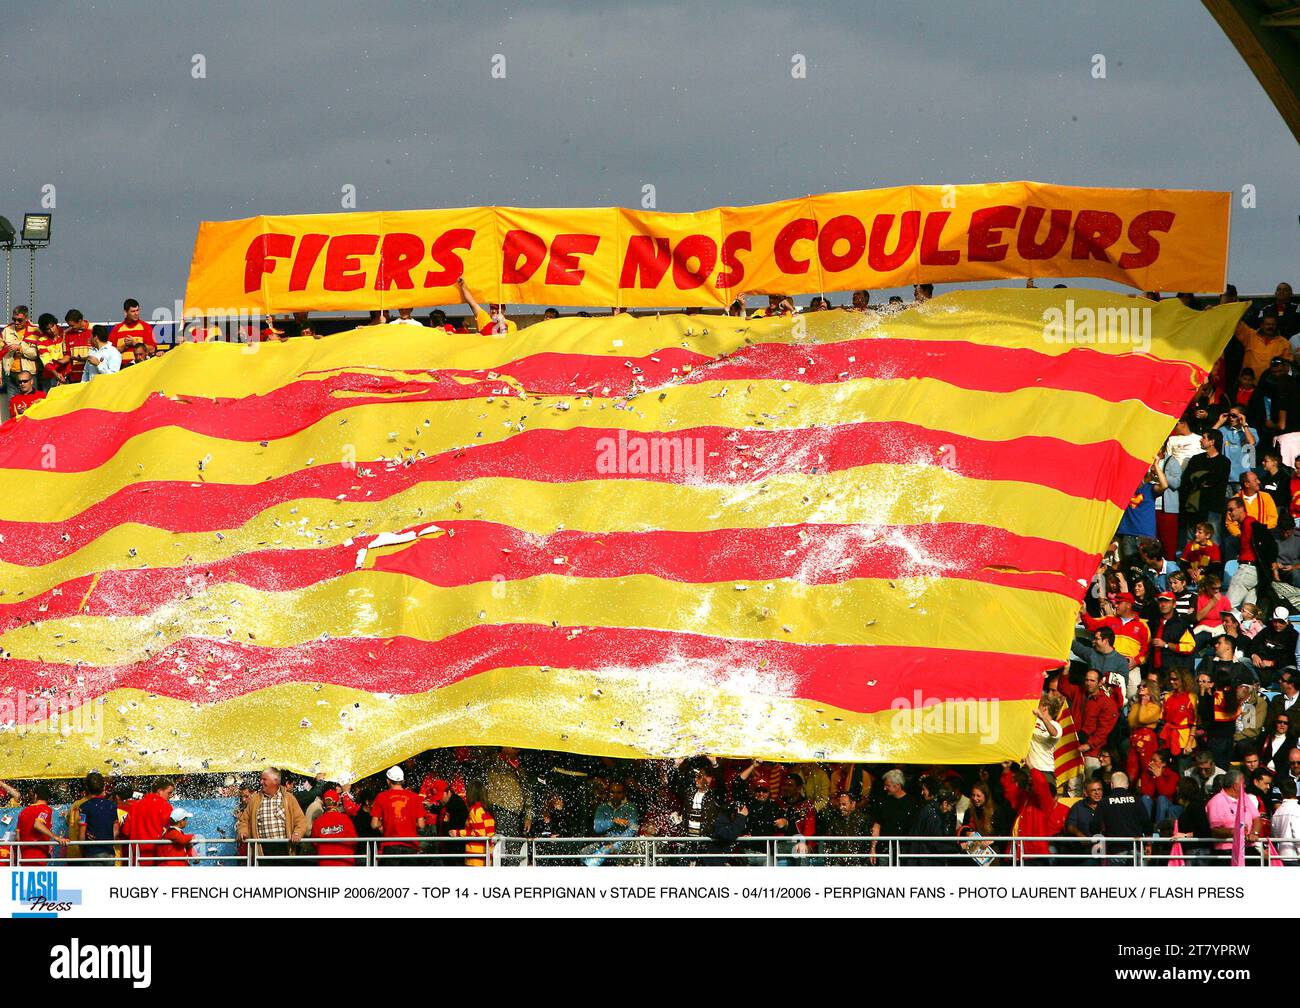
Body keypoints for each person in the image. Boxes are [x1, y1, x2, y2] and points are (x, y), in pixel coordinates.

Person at [235, 768, 306, 865]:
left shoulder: (289, 798)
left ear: (275, 780)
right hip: (262, 850)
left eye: (264, 779)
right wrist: (243, 832)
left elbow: (301, 820)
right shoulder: (255, 800)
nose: (261, 782)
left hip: (284, 847)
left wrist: (297, 833)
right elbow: (244, 821)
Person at [370, 765, 428, 864]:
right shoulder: (415, 797)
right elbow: (421, 825)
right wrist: (408, 823)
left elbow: (374, 824)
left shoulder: (381, 797)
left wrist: (385, 822)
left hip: (390, 846)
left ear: (388, 781)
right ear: (402, 781)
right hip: (411, 846)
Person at [1206, 767, 1264, 864]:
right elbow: (1215, 830)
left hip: (1248, 848)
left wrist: (1255, 833)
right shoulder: (1216, 801)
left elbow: (1257, 818)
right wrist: (1236, 831)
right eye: (1243, 783)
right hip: (1227, 852)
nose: (1245, 786)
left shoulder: (1245, 797)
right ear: (1235, 785)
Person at [124, 777, 174, 866]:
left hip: (136, 855)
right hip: (157, 857)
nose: (170, 796)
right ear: (159, 791)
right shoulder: (166, 807)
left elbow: (126, 831)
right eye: (169, 793)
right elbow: (169, 832)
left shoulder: (135, 806)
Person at [16, 784, 65, 866]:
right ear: (48, 798)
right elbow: (38, 824)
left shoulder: (23, 812)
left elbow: (18, 837)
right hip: (39, 856)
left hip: (24, 857)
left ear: (35, 796)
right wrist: (56, 837)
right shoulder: (46, 809)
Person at [310, 789, 359, 866]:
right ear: (338, 802)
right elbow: (354, 840)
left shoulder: (318, 821)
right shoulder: (345, 818)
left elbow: (314, 842)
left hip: (325, 863)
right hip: (345, 862)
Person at [77, 771, 119, 864]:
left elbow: (82, 834)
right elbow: (116, 830)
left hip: (92, 852)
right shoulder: (112, 805)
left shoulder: (84, 807)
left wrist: (82, 850)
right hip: (109, 852)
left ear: (87, 788)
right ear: (103, 787)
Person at [109, 298, 157, 366]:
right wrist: (124, 347)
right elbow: (109, 352)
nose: (136, 313)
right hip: (122, 369)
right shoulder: (117, 329)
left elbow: (152, 349)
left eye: (137, 310)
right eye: (133, 311)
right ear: (125, 312)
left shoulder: (145, 327)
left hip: (141, 367)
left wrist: (136, 343)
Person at [1270, 776, 1300, 864]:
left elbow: (1274, 834)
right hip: (1295, 856)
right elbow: (1297, 834)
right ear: (1296, 791)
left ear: (1282, 794)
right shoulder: (1297, 810)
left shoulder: (1277, 812)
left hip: (1281, 855)